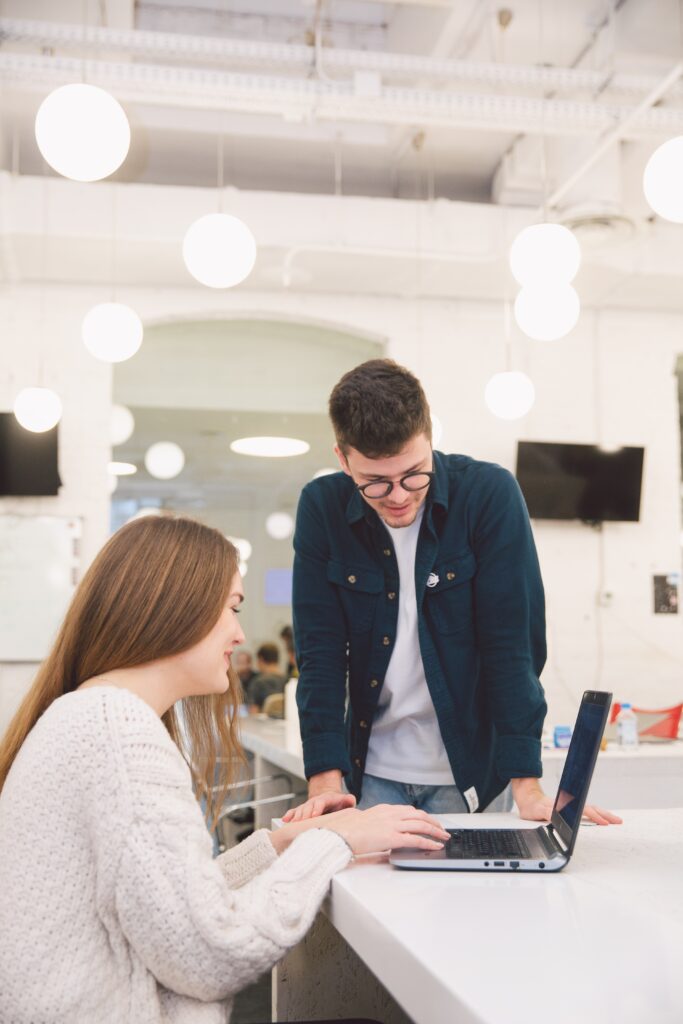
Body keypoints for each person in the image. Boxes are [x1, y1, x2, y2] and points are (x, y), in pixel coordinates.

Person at [0, 514, 450, 1023]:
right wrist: (338, 843)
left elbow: (170, 903)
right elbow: (210, 954)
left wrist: (284, 844)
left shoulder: (90, 715)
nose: (239, 634)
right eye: (232, 608)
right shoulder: (120, 734)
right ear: (176, 608)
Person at [284, 359, 621, 828]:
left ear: (429, 438)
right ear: (343, 460)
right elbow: (319, 654)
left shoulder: (487, 495)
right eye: (375, 483)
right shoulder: (321, 508)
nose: (398, 496)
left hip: (467, 776)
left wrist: (527, 785)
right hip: (370, 774)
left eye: (414, 473)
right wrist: (324, 784)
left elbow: (512, 646)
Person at [247, 641, 286, 714]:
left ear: (261, 659)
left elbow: (253, 712)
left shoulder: (258, 683)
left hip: (265, 725)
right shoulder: (289, 681)